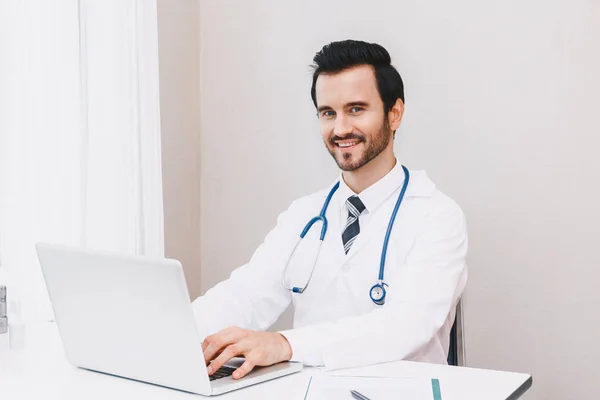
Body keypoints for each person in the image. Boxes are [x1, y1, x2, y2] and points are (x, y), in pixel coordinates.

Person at [192, 39, 468, 380]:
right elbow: (245, 294)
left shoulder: (437, 216)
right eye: (328, 113)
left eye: (356, 109)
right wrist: (172, 329)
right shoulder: (304, 214)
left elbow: (405, 327)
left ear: (394, 114)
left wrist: (284, 345)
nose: (340, 129)